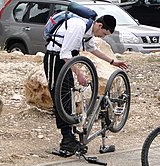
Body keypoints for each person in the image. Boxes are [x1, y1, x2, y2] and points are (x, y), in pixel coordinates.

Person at [43, 14, 127, 155]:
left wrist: (112, 62)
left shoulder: (88, 31)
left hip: (67, 62)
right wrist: (79, 73)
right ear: (99, 25)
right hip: (55, 59)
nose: (102, 37)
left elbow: (92, 49)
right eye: (104, 33)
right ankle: (66, 139)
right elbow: (65, 53)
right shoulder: (78, 26)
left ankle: (69, 137)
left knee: (68, 98)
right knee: (59, 98)